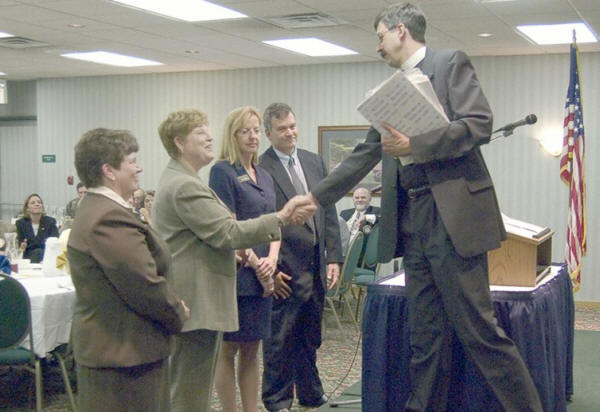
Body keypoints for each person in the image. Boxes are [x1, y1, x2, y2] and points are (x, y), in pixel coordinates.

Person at [299, 3, 543, 411]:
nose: (377, 46)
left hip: (453, 221)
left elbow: (479, 123)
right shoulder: (391, 90)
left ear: (400, 31)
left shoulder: (449, 64)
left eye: (379, 36)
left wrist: (416, 145)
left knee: (479, 331)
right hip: (412, 223)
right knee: (425, 336)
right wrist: (314, 197)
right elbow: (365, 154)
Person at [152, 108, 309, 412]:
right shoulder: (186, 185)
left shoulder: (187, 179)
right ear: (179, 142)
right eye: (201, 133)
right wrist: (281, 216)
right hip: (195, 301)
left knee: (193, 387)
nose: (210, 136)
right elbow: (227, 232)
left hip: (200, 297)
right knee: (189, 392)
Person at [67, 128, 189, 412]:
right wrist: (177, 312)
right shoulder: (107, 217)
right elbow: (143, 284)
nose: (139, 167)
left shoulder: (102, 208)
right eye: (132, 161)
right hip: (123, 357)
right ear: (109, 170)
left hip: (126, 351)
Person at [259, 103, 342, 412]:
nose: (290, 132)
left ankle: (311, 393)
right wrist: (269, 271)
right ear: (269, 133)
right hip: (285, 269)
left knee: (310, 337)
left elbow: (328, 211)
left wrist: (333, 257)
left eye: (293, 126)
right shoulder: (261, 168)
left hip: (316, 266)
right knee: (280, 340)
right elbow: (260, 222)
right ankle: (277, 399)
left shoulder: (313, 161)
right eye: (282, 129)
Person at [209, 106, 278, 412]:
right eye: (245, 131)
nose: (253, 136)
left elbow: (275, 223)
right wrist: (256, 264)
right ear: (232, 135)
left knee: (253, 349)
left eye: (256, 130)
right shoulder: (223, 171)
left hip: (264, 270)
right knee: (229, 349)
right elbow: (229, 227)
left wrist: (272, 261)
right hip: (238, 273)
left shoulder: (263, 173)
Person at [16, 193, 59, 263]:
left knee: (39, 251)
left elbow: (55, 243)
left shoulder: (50, 222)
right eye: (33, 203)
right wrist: (22, 246)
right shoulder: (21, 224)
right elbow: (20, 246)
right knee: (37, 252)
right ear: (27, 208)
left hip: (46, 257)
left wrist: (30, 245)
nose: (37, 204)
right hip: (28, 258)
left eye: (39, 202)